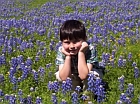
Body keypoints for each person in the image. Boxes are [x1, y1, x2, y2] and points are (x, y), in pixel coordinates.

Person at [55, 20, 104, 94]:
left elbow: (84, 75)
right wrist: (68, 56)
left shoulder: (90, 48)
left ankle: (88, 97)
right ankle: (73, 95)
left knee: (92, 76)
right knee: (59, 76)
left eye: (76, 41)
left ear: (84, 39)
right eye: (67, 42)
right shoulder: (62, 50)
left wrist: (81, 53)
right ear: (61, 42)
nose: (71, 46)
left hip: (87, 73)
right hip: (73, 75)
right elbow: (64, 77)